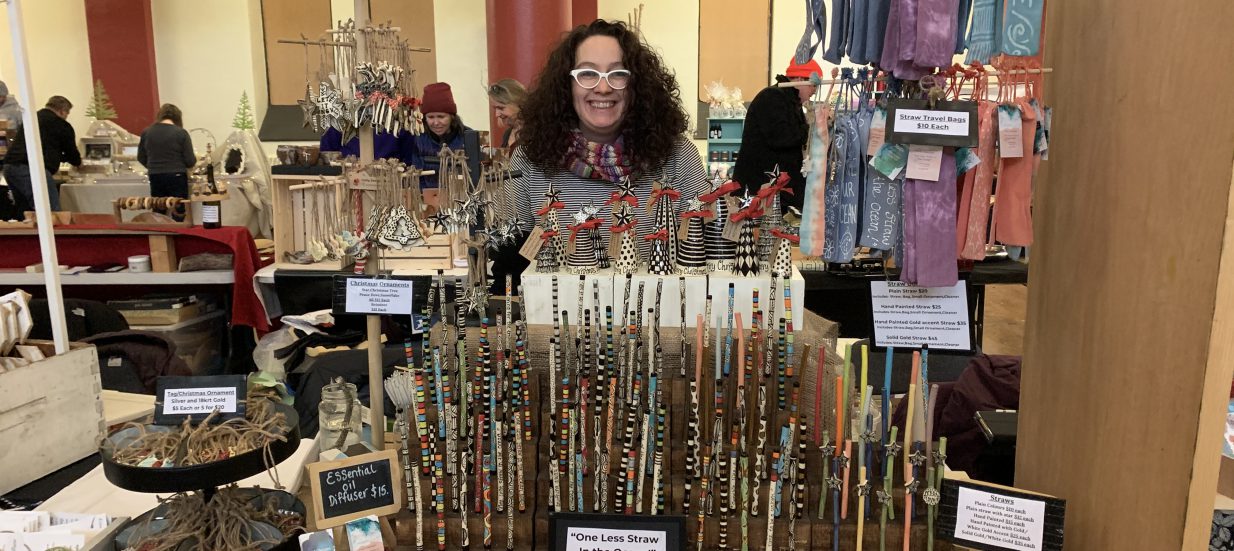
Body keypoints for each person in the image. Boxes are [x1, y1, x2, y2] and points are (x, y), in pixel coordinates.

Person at [505, 19, 708, 260]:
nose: (603, 87)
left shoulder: (678, 156)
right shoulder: (528, 160)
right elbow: (512, 259)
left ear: (636, 84)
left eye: (618, 74)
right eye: (588, 73)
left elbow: (704, 248)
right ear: (566, 85)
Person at [732, 58, 821, 211]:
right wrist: (812, 127)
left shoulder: (790, 101)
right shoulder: (773, 97)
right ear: (799, 79)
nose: (815, 91)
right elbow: (782, 138)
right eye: (813, 85)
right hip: (761, 191)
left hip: (772, 190)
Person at [2, 96, 81, 212]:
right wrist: (79, 163)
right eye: (67, 113)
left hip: (9, 167)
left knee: (26, 212)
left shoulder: (32, 119)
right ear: (62, 111)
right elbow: (72, 153)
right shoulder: (61, 125)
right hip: (32, 169)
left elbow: (47, 147)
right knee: (50, 210)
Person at [402, 82, 470, 188]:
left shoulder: (467, 137)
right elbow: (417, 177)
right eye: (431, 117)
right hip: (428, 198)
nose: (436, 122)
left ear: (452, 116)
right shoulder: (420, 138)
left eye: (441, 116)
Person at [137, 104, 196, 198]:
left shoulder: (147, 132)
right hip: (177, 175)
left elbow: (141, 157)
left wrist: (153, 166)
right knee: (178, 208)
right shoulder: (181, 133)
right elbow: (190, 161)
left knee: (158, 207)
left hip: (155, 175)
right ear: (178, 118)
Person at [487, 78, 527, 148]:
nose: (497, 114)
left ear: (517, 103)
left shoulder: (536, 133)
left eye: (501, 108)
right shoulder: (507, 134)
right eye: (495, 108)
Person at [319, 127, 403, 160]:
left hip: (390, 181)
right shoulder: (341, 118)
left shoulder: (400, 120)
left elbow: (409, 162)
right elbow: (327, 154)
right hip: (345, 181)